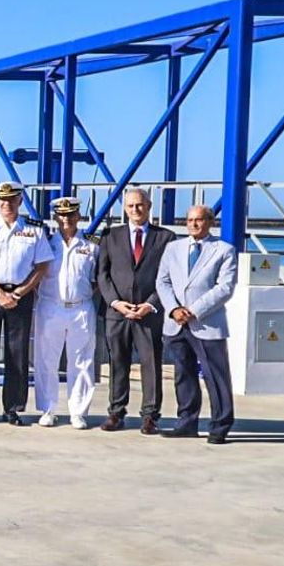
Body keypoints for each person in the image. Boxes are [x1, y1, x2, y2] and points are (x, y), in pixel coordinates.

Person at [0, 181, 53, 426]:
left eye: (12, 199)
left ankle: (13, 408)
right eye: (2, 200)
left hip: (20, 295)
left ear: (20, 200)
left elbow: (42, 265)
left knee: (17, 353)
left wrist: (20, 291)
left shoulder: (34, 229)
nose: (7, 204)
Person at [95, 187, 176, 433]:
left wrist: (150, 303)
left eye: (140, 205)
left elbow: (169, 276)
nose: (135, 210)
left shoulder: (166, 238)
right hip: (117, 312)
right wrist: (115, 302)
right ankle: (116, 413)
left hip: (148, 312)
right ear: (124, 208)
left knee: (151, 364)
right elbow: (102, 274)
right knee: (117, 362)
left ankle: (150, 416)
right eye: (130, 206)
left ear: (149, 206)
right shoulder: (110, 235)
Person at [155, 204, 238, 444]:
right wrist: (173, 309)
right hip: (176, 323)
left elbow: (224, 287)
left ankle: (220, 425)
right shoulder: (173, 248)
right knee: (184, 374)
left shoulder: (224, 250)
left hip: (206, 322)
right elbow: (163, 281)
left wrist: (193, 310)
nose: (193, 224)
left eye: (199, 220)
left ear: (210, 222)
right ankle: (186, 422)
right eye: (190, 220)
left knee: (216, 376)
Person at [32, 197, 99, 429]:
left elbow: (98, 277)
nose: (66, 219)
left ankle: (78, 411)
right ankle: (48, 408)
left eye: (71, 215)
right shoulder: (46, 243)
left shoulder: (91, 245)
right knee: (46, 360)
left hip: (81, 307)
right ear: (55, 218)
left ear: (78, 216)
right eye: (61, 215)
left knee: (82, 361)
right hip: (50, 306)